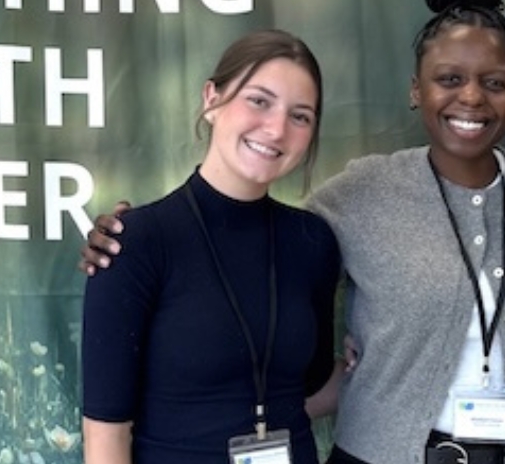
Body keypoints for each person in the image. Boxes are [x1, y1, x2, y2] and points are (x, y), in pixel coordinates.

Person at [83, 0, 505, 464]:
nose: (471, 96)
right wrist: (122, 236)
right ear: (416, 90)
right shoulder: (360, 194)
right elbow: (236, 229)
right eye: (449, 78)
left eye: (495, 83)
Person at [80, 29, 342, 464]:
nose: (276, 129)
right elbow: (106, 435)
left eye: (301, 116)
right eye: (259, 100)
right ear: (212, 100)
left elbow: (311, 388)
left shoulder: (313, 242)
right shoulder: (136, 242)